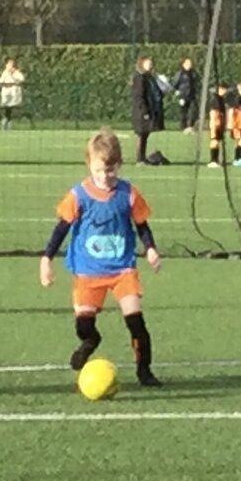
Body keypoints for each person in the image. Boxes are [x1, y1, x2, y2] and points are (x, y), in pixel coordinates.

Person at [39, 127, 163, 387]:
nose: (104, 177)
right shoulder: (79, 195)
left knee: (136, 322)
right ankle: (91, 341)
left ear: (119, 165)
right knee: (83, 326)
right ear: (89, 164)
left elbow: (141, 225)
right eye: (98, 171)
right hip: (88, 270)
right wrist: (46, 259)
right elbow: (61, 228)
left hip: (122, 269)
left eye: (110, 171)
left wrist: (150, 248)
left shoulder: (128, 193)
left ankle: (145, 371)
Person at [130, 55, 164, 164]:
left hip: (148, 109)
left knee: (145, 134)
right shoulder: (139, 78)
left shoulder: (149, 77)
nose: (150, 65)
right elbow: (139, 96)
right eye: (148, 63)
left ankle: (142, 158)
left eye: (151, 63)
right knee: (141, 134)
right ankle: (140, 159)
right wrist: (144, 111)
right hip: (141, 111)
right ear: (142, 64)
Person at [205, 81, 230, 168]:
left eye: (225, 89)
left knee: (217, 142)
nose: (224, 91)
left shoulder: (221, 99)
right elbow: (213, 113)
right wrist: (215, 125)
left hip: (220, 123)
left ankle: (216, 160)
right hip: (215, 123)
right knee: (214, 141)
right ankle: (213, 160)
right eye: (222, 89)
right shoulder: (215, 99)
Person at [173, 57, 200, 133]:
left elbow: (197, 82)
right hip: (183, 96)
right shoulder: (180, 73)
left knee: (193, 111)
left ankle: (191, 126)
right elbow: (175, 84)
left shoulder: (193, 73)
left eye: (190, 63)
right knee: (183, 112)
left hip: (192, 95)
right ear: (183, 64)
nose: (189, 65)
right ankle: (183, 127)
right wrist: (178, 94)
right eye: (187, 63)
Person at [0, 57, 25, 130]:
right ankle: (5, 123)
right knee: (6, 109)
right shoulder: (5, 73)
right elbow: (0, 82)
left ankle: (7, 124)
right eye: (9, 64)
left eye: (11, 64)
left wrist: (13, 75)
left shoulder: (17, 73)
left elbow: (21, 79)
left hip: (14, 95)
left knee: (10, 109)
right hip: (6, 94)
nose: (10, 65)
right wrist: (5, 84)